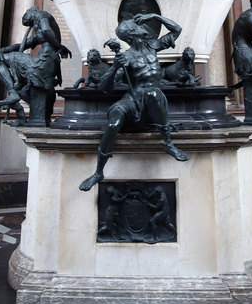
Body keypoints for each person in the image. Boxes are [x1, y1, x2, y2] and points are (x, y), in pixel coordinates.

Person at [79, 13, 189, 191]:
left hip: (151, 100)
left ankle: (168, 144)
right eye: (135, 24)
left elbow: (177, 30)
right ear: (132, 33)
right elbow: (105, 88)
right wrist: (115, 67)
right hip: (131, 101)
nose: (141, 24)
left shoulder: (153, 46)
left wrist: (155, 16)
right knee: (113, 124)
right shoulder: (127, 57)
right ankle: (98, 172)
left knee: (153, 93)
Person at [0, 6, 71, 126]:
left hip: (42, 64)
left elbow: (46, 30)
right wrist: (2, 50)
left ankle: (13, 93)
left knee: (0, 60)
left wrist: (60, 47)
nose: (28, 24)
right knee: (2, 58)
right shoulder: (40, 33)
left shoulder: (41, 15)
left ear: (30, 12)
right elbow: (24, 44)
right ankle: (20, 112)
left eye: (26, 20)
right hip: (45, 64)